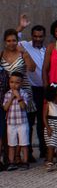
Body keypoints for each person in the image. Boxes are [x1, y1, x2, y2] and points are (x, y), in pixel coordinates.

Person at [1, 29, 37, 161]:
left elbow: (32, 68)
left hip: (24, 90)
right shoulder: (2, 54)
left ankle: (25, 154)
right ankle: (11, 155)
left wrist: (25, 53)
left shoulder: (22, 53)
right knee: (10, 125)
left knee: (25, 124)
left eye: (14, 40)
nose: (11, 43)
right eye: (9, 41)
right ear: (5, 42)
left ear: (18, 41)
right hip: (8, 92)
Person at [16, 17, 47, 160]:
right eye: (35, 36)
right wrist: (21, 27)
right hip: (30, 90)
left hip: (44, 90)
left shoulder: (47, 49)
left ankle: (44, 150)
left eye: (40, 36)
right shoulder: (25, 45)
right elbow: (12, 39)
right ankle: (28, 153)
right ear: (32, 36)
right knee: (29, 121)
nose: (38, 39)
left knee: (43, 121)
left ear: (44, 37)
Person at [3, 72, 30, 170]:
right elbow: (5, 108)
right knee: (11, 143)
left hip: (22, 122)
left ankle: (25, 161)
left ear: (21, 83)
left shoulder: (24, 93)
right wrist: (11, 97)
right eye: (11, 82)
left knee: (24, 143)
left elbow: (23, 107)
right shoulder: (7, 94)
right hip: (11, 123)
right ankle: (11, 162)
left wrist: (18, 97)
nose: (14, 85)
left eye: (17, 82)